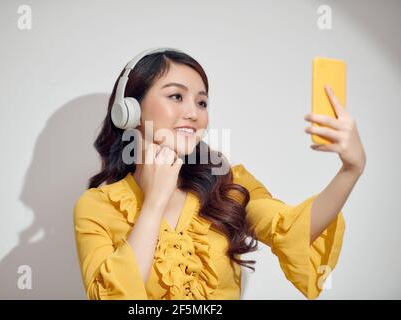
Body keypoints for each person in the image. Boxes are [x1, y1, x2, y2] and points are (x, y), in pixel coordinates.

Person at [73, 48, 366, 300]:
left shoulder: (227, 183)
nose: (194, 113)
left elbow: (292, 229)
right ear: (130, 110)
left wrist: (350, 170)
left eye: (202, 102)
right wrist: (154, 203)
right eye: (176, 96)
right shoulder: (97, 206)